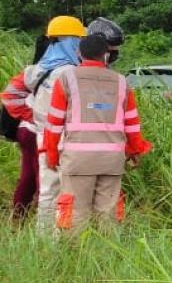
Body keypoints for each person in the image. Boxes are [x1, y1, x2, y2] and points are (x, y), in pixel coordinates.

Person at [43, 33, 152, 233]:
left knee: (75, 213)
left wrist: (51, 155)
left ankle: (76, 259)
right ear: (106, 55)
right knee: (108, 215)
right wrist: (135, 151)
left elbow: (53, 124)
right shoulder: (121, 82)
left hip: (77, 161)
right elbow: (132, 125)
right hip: (111, 161)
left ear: (78, 53)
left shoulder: (66, 79)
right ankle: (106, 258)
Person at [2, 15, 87, 227]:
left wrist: (32, 115)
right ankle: (58, 230)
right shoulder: (72, 72)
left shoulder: (37, 69)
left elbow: (10, 94)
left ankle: (31, 229)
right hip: (59, 136)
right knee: (58, 184)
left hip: (36, 133)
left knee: (37, 183)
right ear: (72, 41)